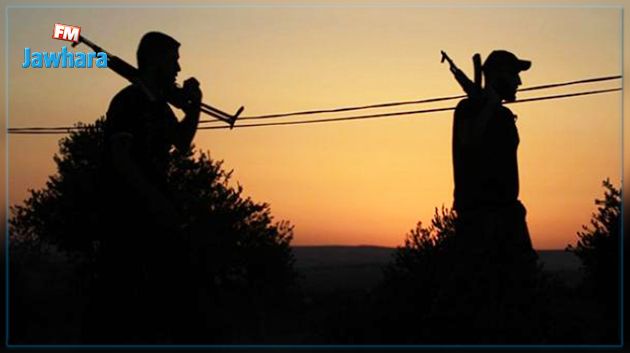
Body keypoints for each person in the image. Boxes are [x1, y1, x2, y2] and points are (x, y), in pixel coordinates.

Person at [84, 32, 202, 343]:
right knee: (124, 304)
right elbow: (120, 160)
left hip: (153, 216)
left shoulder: (159, 105)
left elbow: (182, 142)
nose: (178, 68)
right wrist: (156, 202)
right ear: (155, 61)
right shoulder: (127, 102)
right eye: (173, 60)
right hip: (126, 217)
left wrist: (194, 109)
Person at [449, 50, 539, 339]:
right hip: (481, 221)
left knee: (521, 308)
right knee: (481, 311)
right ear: (499, 75)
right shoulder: (469, 108)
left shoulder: (499, 114)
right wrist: (488, 104)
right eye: (514, 75)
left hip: (508, 218)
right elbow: (469, 141)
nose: (519, 83)